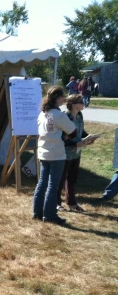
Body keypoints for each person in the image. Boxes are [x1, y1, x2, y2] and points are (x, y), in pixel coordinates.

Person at [33, 86, 76, 225]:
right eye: (63, 96)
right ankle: (50, 215)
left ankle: (37, 212)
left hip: (43, 152)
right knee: (53, 185)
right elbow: (73, 131)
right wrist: (64, 135)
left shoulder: (42, 113)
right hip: (56, 153)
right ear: (58, 98)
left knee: (42, 183)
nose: (65, 98)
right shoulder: (59, 115)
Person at [58, 94, 95, 212]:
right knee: (60, 178)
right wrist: (74, 144)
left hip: (76, 153)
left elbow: (81, 131)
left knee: (72, 178)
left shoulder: (79, 115)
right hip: (65, 153)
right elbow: (62, 138)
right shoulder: (66, 117)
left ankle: (72, 202)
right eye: (81, 101)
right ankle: (56, 203)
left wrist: (89, 137)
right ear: (74, 105)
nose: (83, 103)